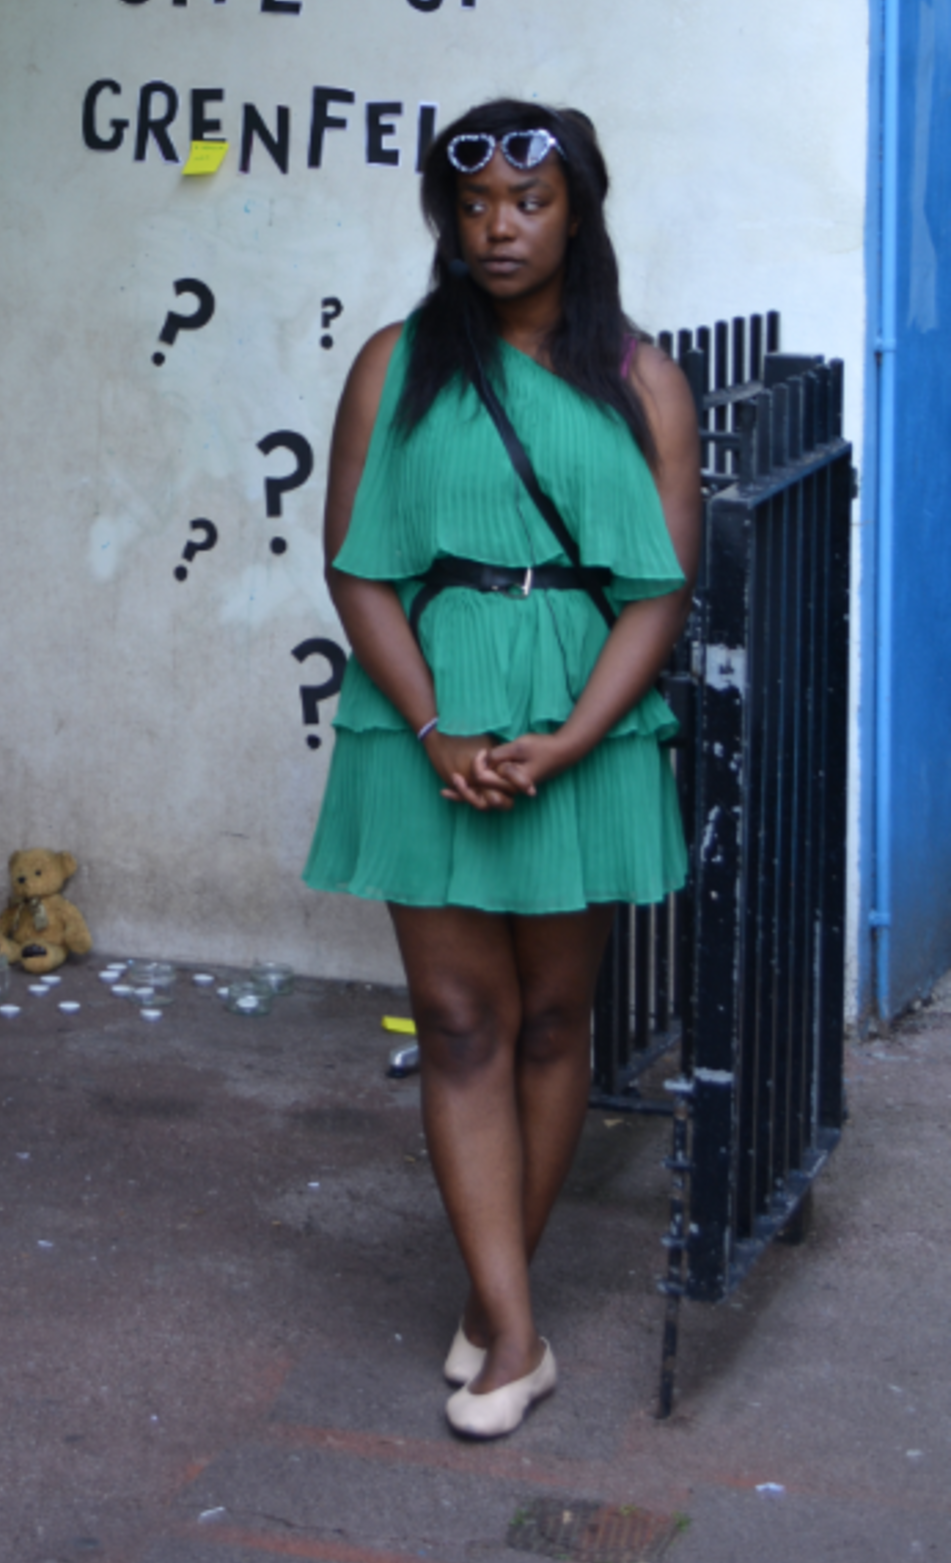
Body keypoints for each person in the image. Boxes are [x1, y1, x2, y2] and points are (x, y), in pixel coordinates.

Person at [302, 100, 700, 1441]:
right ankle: (516, 1333)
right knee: (461, 1020)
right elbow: (358, 564)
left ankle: (493, 1289)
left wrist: (576, 734)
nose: (500, 226)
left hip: (580, 726)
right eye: (473, 205)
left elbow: (659, 587)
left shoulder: (641, 379)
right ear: (446, 218)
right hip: (434, 716)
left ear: (576, 212)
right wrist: (435, 730)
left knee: (550, 1021)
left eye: (528, 201)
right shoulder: (393, 364)